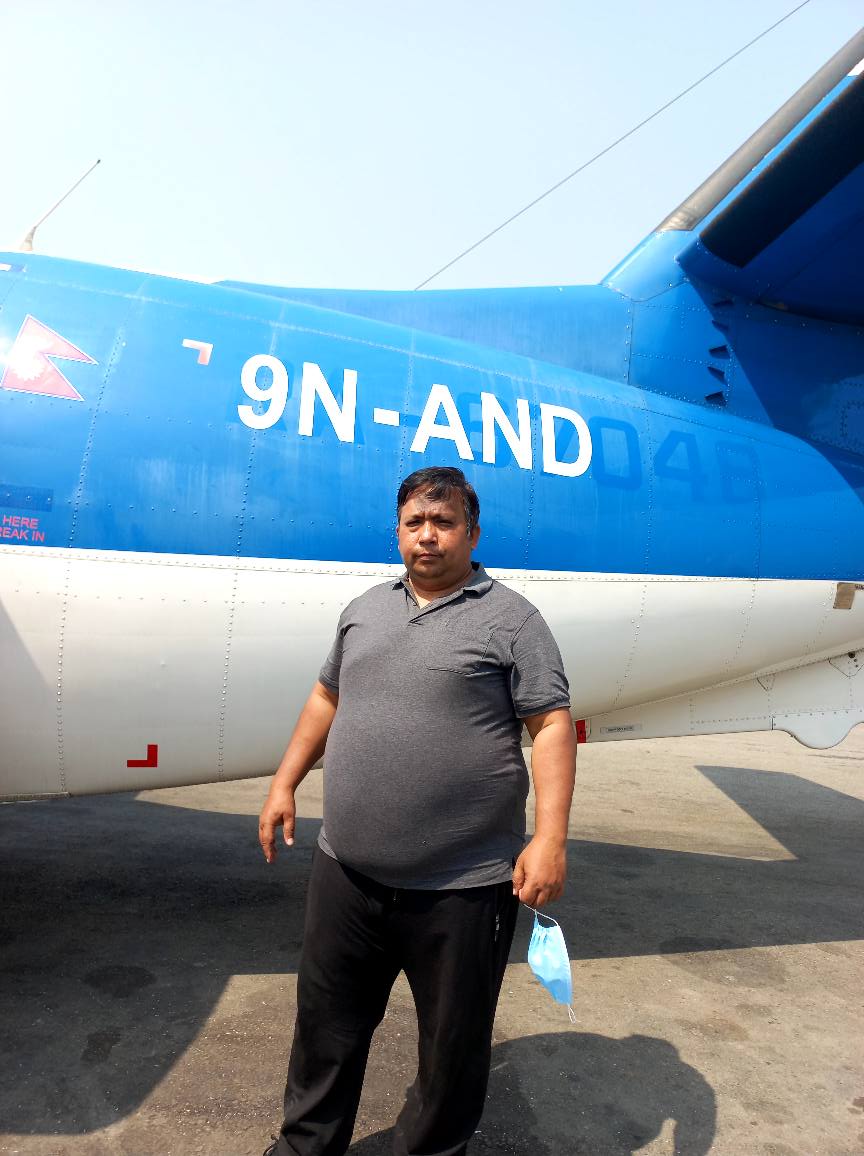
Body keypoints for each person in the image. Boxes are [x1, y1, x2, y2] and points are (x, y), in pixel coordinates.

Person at [259, 466, 576, 1156]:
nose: (427, 536)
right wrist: (284, 783)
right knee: (325, 1030)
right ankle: (305, 1148)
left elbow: (550, 724)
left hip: (463, 886)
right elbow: (325, 698)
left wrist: (549, 838)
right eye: (414, 523)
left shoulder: (513, 621)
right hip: (346, 874)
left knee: (451, 1052)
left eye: (443, 522)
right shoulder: (364, 610)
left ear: (472, 533)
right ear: (398, 531)